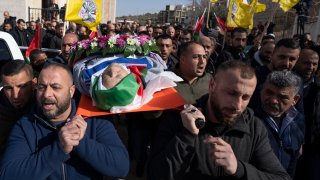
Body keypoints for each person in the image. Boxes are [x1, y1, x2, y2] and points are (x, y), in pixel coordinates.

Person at [148, 60, 290, 180]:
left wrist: (239, 169)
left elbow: (281, 177)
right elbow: (156, 175)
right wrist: (186, 136)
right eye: (232, 93)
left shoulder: (254, 127)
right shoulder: (178, 119)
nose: (238, 105)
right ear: (212, 86)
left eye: (245, 97)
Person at [0, 63, 129, 179]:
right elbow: (8, 174)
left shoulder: (94, 119)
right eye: (42, 87)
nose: (47, 94)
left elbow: (121, 167)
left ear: (71, 91)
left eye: (55, 87)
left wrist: (80, 141)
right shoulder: (25, 125)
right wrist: (59, 148)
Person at [254, 70, 304, 177]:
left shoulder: (297, 122)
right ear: (261, 90)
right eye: (269, 93)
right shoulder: (250, 121)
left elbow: (293, 162)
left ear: (295, 99)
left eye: (282, 97)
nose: (274, 101)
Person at [293, 48, 320, 180]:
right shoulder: (287, 83)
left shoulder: (318, 85)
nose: (310, 67)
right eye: (306, 63)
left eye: (314, 64)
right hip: (292, 140)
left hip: (313, 142)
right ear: (297, 61)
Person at [0, 60, 36, 156]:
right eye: (8, 88)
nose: (15, 95)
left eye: (21, 86)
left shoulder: (44, 108)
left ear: (34, 84)